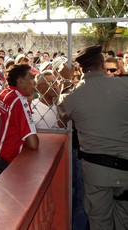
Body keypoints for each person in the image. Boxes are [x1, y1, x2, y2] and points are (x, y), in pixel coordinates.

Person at [57, 45, 128, 230]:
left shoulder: (72, 96)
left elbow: (60, 120)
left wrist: (66, 80)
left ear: (80, 69)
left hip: (97, 172)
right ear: (102, 64)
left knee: (99, 221)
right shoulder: (124, 85)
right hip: (126, 168)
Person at [0, 64, 39, 187]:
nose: (34, 83)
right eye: (31, 78)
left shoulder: (5, 92)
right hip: (5, 164)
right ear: (20, 81)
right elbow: (33, 143)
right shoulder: (19, 101)